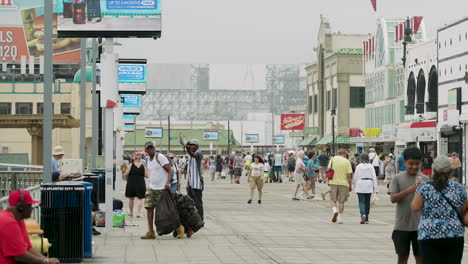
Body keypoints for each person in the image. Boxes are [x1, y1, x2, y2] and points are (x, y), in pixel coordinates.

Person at [411, 156, 468, 264]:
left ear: (434, 170)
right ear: (450, 170)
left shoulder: (425, 187)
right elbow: (464, 209)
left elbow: (415, 207)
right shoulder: (459, 187)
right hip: (454, 234)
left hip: (429, 234)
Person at [389, 147, 429, 264]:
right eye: (411, 163)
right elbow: (393, 198)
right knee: (402, 258)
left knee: (421, 258)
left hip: (421, 227)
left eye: (417, 164)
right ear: (404, 162)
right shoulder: (397, 178)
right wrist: (409, 190)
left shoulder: (426, 179)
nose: (414, 166)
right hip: (401, 227)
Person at [0, 190, 60, 264]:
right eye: (30, 205)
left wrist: (46, 260)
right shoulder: (8, 223)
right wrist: (46, 261)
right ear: (21, 208)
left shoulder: (18, 219)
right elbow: (19, 255)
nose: (32, 208)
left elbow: (28, 247)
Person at [141, 141, 172, 239]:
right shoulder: (147, 160)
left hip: (162, 188)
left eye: (152, 148)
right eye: (148, 148)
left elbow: (170, 170)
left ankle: (178, 227)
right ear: (146, 150)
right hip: (152, 187)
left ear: (154, 148)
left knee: (167, 211)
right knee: (149, 208)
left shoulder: (160, 157)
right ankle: (151, 232)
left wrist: (167, 183)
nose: (150, 149)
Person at [328, 149, 353, 224]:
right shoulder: (347, 161)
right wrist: (350, 185)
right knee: (341, 201)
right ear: (345, 154)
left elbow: (329, 170)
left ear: (338, 153)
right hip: (343, 183)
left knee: (333, 199)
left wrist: (328, 181)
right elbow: (349, 175)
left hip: (333, 182)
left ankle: (335, 210)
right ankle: (340, 217)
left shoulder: (332, 159)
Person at [353, 153, 378, 224]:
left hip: (360, 183)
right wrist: (375, 188)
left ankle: (363, 214)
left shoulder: (358, 166)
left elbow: (355, 177)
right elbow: (374, 177)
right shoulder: (370, 166)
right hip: (369, 184)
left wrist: (355, 186)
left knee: (361, 201)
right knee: (367, 202)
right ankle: (366, 218)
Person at [185, 139, 204, 220]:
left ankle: (200, 219)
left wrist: (187, 148)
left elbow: (193, 155)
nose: (191, 146)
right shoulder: (190, 153)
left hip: (196, 183)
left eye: (193, 145)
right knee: (190, 202)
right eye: (190, 145)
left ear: (197, 146)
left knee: (198, 202)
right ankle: (193, 218)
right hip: (190, 182)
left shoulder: (199, 152)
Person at [124, 154, 148, 218]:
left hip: (131, 183)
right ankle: (138, 213)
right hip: (141, 183)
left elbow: (126, 174)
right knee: (140, 198)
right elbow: (147, 176)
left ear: (134, 159)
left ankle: (131, 213)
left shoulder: (131, 165)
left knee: (131, 198)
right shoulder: (143, 165)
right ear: (140, 159)